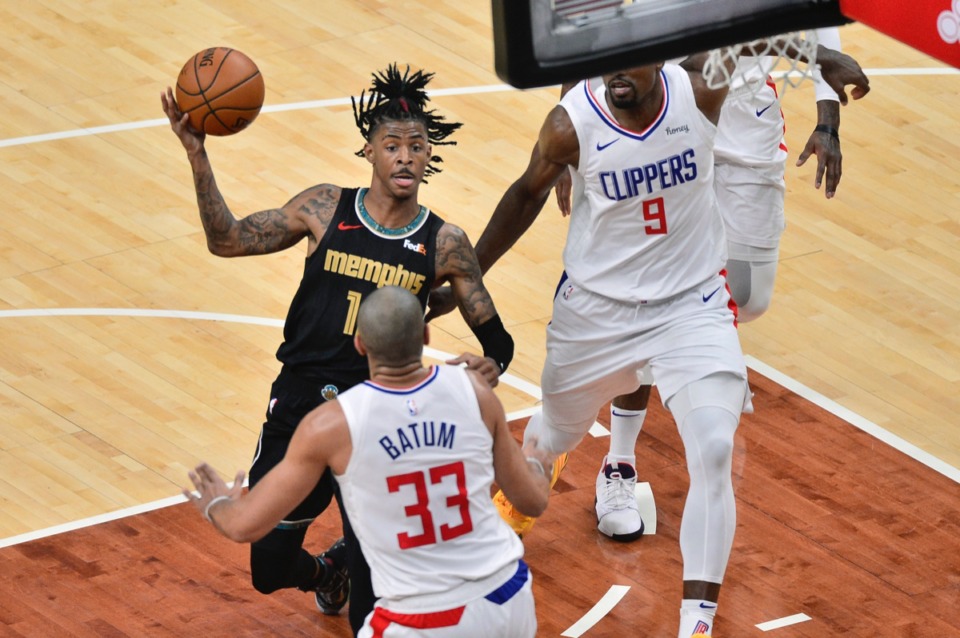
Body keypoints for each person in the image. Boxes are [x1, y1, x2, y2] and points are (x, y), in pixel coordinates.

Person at [161, 63, 515, 635]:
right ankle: (328, 572)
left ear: (430, 157)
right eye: (392, 145)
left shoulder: (443, 241)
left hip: (379, 418)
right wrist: (197, 153)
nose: (405, 156)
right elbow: (225, 240)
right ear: (370, 154)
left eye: (417, 146)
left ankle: (361, 573)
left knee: (373, 598)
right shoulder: (325, 209)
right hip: (301, 407)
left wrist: (490, 362)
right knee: (269, 570)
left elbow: (497, 338)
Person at [560, 30, 872, 546]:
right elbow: (591, 34)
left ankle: (707, 332)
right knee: (653, 291)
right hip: (664, 111)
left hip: (747, 116)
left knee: (748, 296)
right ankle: (619, 466)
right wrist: (571, 144)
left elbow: (815, 22)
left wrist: (827, 113)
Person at [183, 286, 552, 638]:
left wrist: (217, 504)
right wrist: (535, 464)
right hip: (508, 596)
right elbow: (532, 501)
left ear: (359, 344)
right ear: (425, 335)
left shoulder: (331, 424)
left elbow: (245, 527)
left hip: (422, 617)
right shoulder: (473, 390)